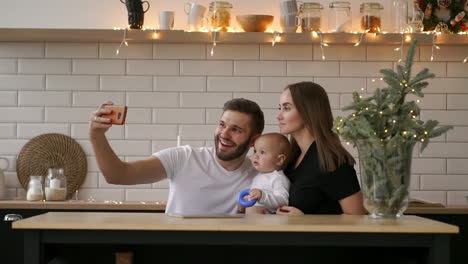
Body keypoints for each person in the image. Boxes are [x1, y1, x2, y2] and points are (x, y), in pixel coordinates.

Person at [89, 98, 264, 215]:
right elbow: (118, 175)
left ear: (253, 141)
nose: (224, 134)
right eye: (222, 125)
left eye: (236, 130)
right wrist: (96, 136)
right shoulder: (183, 158)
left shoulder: (261, 177)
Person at [275, 82, 366, 216]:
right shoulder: (292, 158)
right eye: (280, 108)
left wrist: (305, 221)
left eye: (287, 108)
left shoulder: (333, 161)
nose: (279, 116)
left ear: (308, 111)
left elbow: (357, 218)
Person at [243, 133, 291, 214]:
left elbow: (283, 201)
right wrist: (247, 201)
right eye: (255, 151)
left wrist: (263, 196)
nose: (255, 156)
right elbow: (256, 199)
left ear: (279, 160)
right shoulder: (258, 176)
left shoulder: (278, 178)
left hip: (268, 222)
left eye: (262, 152)